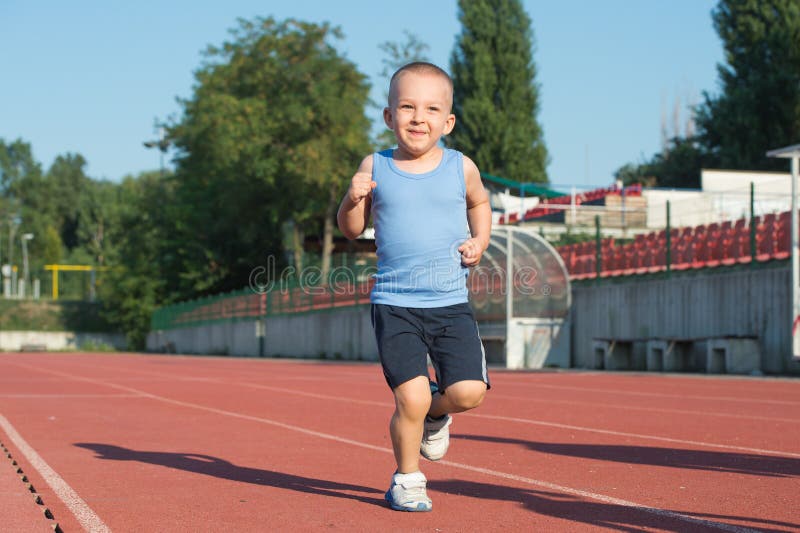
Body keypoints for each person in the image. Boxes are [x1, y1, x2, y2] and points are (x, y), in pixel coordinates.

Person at [337, 62, 492, 512]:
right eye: (407, 107)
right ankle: (407, 478)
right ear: (389, 116)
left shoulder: (461, 167)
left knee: (468, 393)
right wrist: (352, 197)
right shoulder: (376, 165)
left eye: (430, 109)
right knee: (412, 395)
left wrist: (479, 240)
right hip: (395, 304)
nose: (418, 117)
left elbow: (480, 202)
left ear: (448, 121)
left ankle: (438, 414)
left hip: (450, 303)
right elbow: (350, 229)